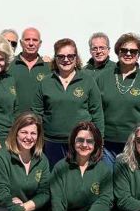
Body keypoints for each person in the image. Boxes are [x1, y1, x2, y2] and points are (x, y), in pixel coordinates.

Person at [31, 38, 104, 166]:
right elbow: (36, 113)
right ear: (55, 58)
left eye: (70, 56)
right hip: (51, 143)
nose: (66, 60)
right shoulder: (46, 82)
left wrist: (99, 141)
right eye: (61, 56)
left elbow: (97, 113)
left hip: (81, 142)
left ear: (76, 58)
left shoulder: (88, 81)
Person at [96, 32, 140, 160]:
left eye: (133, 51)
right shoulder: (103, 77)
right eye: (124, 50)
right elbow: (95, 110)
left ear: (138, 55)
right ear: (117, 52)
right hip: (107, 144)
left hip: (137, 143)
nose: (128, 54)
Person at [10, 27, 47, 115]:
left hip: (40, 120)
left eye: (35, 40)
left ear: (40, 43)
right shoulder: (9, 65)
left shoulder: (48, 67)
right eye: (27, 40)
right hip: (13, 119)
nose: (31, 43)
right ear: (21, 43)